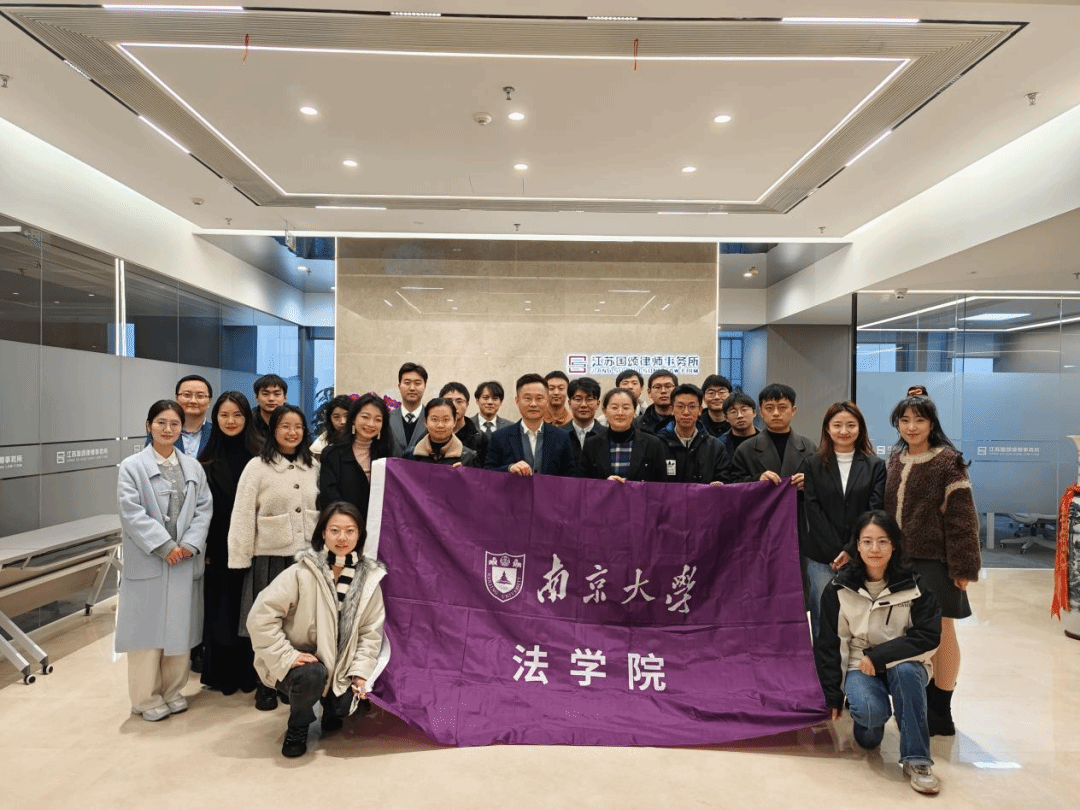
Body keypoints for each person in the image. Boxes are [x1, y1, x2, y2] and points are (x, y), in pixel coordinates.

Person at [815, 511, 942, 796]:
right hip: (859, 665)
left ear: (894, 545)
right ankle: (870, 726)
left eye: (883, 541)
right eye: (867, 541)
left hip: (905, 661)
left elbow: (928, 636)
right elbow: (831, 644)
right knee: (871, 726)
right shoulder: (838, 588)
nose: (875, 549)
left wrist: (879, 656)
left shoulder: (916, 585)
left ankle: (917, 760)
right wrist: (833, 694)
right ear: (857, 546)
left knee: (906, 673)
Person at [247, 502, 386, 758]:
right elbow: (260, 617)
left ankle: (331, 707)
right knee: (311, 675)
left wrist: (359, 673)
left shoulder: (369, 580)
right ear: (323, 533)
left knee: (343, 707)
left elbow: (370, 633)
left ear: (360, 535)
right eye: (334, 530)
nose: (342, 538)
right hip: (304, 663)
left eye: (350, 531)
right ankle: (298, 725)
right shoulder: (301, 572)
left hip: (340, 665)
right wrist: (287, 655)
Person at [884, 395, 980, 737]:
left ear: (932, 424)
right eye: (905, 420)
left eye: (919, 420)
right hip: (901, 562)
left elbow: (962, 518)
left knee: (942, 630)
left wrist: (963, 566)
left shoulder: (948, 462)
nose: (912, 427)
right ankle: (921, 699)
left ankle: (942, 708)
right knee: (912, 633)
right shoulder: (895, 460)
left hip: (936, 562)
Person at [116, 400, 212, 721]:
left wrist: (189, 544)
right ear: (149, 426)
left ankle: (172, 691)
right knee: (146, 634)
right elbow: (131, 513)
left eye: (174, 424)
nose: (168, 429)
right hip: (150, 560)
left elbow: (204, 509)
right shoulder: (132, 466)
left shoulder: (193, 467)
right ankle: (145, 698)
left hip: (183, 559)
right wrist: (164, 545)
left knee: (179, 630)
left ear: (181, 429)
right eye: (161, 423)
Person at [229, 404, 320, 712]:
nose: (292, 432)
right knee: (267, 622)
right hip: (269, 557)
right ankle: (264, 684)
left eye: (298, 427)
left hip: (306, 559)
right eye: (285, 426)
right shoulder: (257, 467)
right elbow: (242, 515)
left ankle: (291, 681)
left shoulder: (314, 466)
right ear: (273, 430)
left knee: (298, 624)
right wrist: (239, 556)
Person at [800, 401, 886, 638]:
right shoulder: (812, 464)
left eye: (851, 425)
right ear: (828, 429)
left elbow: (873, 510)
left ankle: (857, 661)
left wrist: (850, 549)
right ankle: (823, 662)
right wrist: (834, 551)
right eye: (837, 425)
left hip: (861, 554)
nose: (844, 431)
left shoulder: (875, 465)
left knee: (860, 615)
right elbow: (813, 509)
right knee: (823, 614)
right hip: (821, 556)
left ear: (860, 428)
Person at [197, 391, 261, 695]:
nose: (231, 421)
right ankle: (222, 675)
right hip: (219, 548)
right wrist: (206, 549)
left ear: (247, 418)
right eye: (224, 415)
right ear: (216, 418)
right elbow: (200, 511)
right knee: (221, 611)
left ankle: (251, 675)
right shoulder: (205, 459)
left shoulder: (260, 456)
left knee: (250, 610)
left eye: (237, 415)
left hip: (254, 546)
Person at [485, 373, 577, 477]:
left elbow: (570, 476)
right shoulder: (499, 437)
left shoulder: (562, 437)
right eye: (527, 398)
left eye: (539, 398)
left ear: (547, 401)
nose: (533, 404)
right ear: (517, 401)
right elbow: (488, 473)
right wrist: (509, 468)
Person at [318, 393, 395, 517]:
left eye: (378, 419)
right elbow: (329, 497)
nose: (371, 424)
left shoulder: (388, 455)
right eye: (365, 417)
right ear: (353, 418)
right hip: (343, 524)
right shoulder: (332, 454)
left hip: (378, 524)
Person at [729, 383, 815, 486]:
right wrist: (757, 479)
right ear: (761, 412)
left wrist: (811, 482)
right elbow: (734, 485)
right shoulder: (745, 449)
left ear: (793, 410)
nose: (776, 413)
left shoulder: (809, 448)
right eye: (769, 408)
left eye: (782, 407)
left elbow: (823, 483)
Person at [580, 388, 667, 482]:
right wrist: (605, 484)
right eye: (614, 408)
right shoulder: (591, 444)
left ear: (634, 410)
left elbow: (661, 485)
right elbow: (584, 484)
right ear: (604, 410)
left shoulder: (653, 444)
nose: (620, 413)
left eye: (626, 408)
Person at [655, 384, 730, 484]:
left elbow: (724, 479)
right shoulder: (657, 444)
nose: (686, 412)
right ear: (672, 410)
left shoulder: (715, 447)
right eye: (680, 406)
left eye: (692, 406)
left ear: (700, 410)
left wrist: (719, 484)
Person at [142, 374, 214, 456]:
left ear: (209, 401)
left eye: (200, 396)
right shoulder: (160, 431)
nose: (193, 401)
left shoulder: (217, 433)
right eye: (187, 395)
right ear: (176, 398)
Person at [404, 398, 480, 466]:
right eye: (434, 419)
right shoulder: (410, 456)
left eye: (446, 420)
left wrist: (464, 474)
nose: (440, 425)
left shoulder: (468, 458)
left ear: (454, 422)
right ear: (425, 422)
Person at [563, 377, 605, 467]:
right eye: (578, 399)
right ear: (569, 403)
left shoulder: (607, 435)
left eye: (589, 399)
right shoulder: (559, 435)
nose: (583, 405)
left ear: (598, 403)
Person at [439, 381, 487, 461]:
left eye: (459, 401)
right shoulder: (430, 434)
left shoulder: (479, 438)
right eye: (448, 401)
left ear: (467, 405)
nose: (454, 406)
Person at [388, 362, 428, 454]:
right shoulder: (387, 418)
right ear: (399, 386)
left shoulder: (432, 419)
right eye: (407, 383)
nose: (412, 388)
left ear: (424, 386)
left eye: (417, 383)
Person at [636, 369, 678, 435]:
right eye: (657, 387)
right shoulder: (638, 423)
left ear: (677, 390)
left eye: (668, 386)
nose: (663, 391)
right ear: (649, 392)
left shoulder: (686, 420)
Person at [718, 392, 759, 457]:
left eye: (744, 410)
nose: (739, 416)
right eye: (733, 412)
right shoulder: (719, 445)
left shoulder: (768, 440)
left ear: (754, 413)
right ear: (726, 417)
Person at [251, 374, 288, 439]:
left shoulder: (295, 418)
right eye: (265, 394)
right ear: (256, 397)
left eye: (277, 394)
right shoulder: (248, 420)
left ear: (285, 397)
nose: (271, 399)